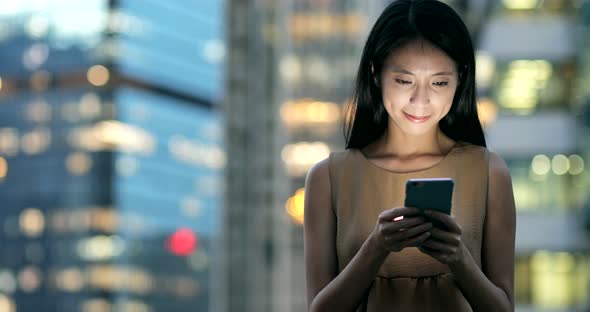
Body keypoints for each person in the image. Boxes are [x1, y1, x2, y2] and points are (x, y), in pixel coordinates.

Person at [303, 0, 516, 311]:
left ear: (461, 79)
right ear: (375, 73)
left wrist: (459, 259)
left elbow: (503, 307)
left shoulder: (488, 171)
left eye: (439, 82)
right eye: (404, 80)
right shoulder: (328, 178)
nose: (421, 100)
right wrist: (376, 247)